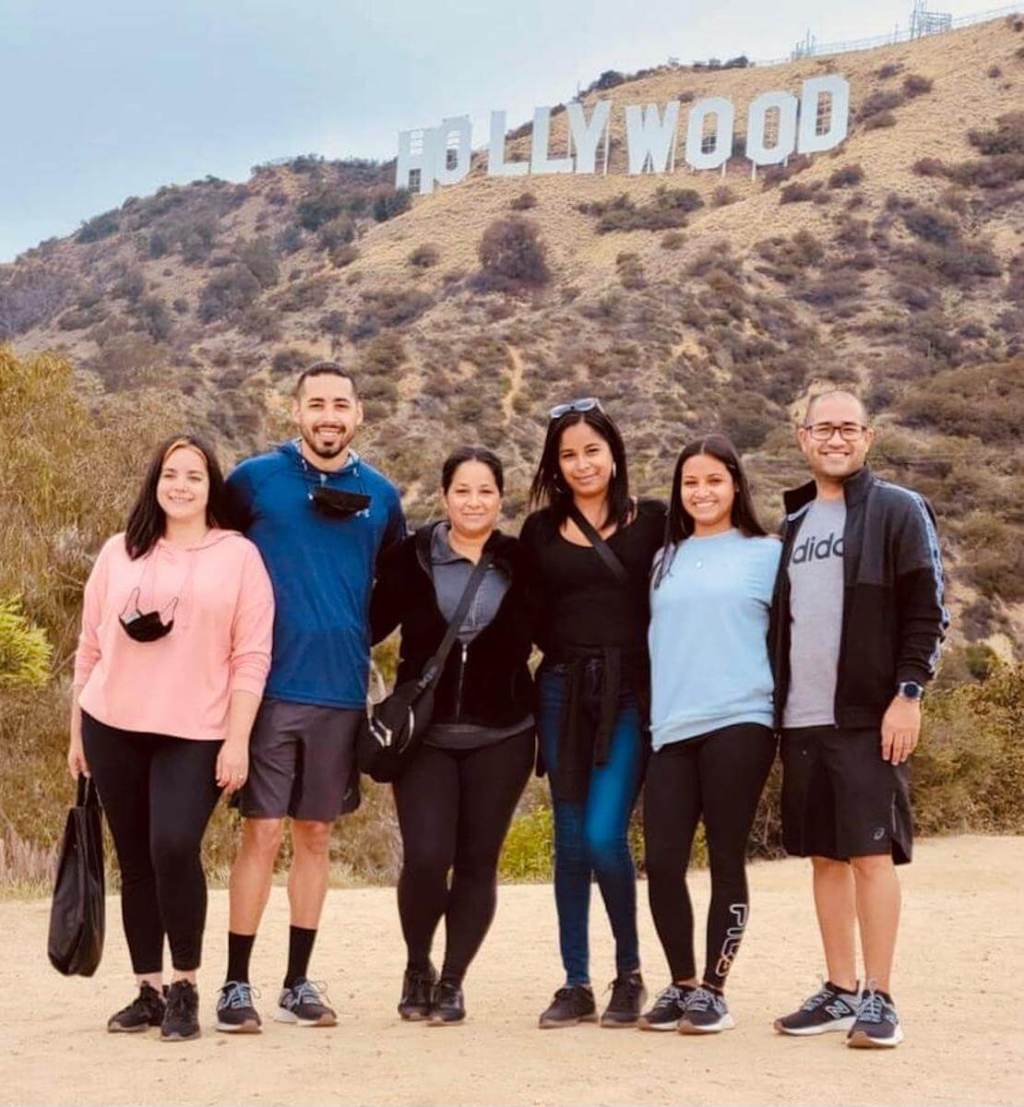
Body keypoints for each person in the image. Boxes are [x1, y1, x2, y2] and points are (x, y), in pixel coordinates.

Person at [218, 362, 405, 1033]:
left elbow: (396, 589)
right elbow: (212, 552)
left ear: (359, 413)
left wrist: (352, 630)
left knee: (316, 833)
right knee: (262, 832)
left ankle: (297, 982)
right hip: (266, 688)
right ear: (295, 410)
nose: (329, 416)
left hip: (339, 691)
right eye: (317, 404)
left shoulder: (381, 495)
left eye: (341, 405)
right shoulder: (253, 481)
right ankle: (236, 984)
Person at [67, 434, 274, 1042]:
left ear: (211, 487)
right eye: (170, 474)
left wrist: (237, 740)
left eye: (194, 476)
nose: (180, 485)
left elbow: (251, 656)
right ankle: (149, 991)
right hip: (112, 725)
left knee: (173, 846)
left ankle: (186, 985)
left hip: (197, 731)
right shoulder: (118, 551)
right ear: (154, 482)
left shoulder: (239, 557)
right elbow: (89, 647)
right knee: (134, 861)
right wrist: (78, 731)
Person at [770, 390, 947, 1048]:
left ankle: (880, 994)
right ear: (802, 437)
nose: (835, 438)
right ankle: (840, 989)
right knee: (824, 855)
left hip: (868, 716)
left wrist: (909, 693)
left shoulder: (898, 510)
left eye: (849, 428)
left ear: (868, 437)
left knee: (872, 853)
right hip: (802, 718)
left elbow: (930, 609)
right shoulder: (792, 523)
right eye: (824, 428)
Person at [370, 446, 538, 1026]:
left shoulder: (522, 561)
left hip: (505, 735)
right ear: (444, 497)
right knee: (426, 857)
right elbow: (362, 626)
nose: (474, 502)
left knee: (476, 862)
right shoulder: (409, 558)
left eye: (485, 492)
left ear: (501, 498)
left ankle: (453, 980)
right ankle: (418, 965)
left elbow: (562, 633)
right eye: (462, 491)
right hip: (426, 738)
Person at [520, 398, 666, 1029]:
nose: (582, 464)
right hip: (560, 690)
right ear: (555, 465)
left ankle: (629, 974)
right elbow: (519, 616)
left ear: (614, 454)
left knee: (607, 833)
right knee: (571, 842)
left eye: (592, 451)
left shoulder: (654, 521)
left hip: (630, 693)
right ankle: (576, 982)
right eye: (568, 454)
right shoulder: (538, 532)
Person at [641, 434, 780, 1034]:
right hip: (672, 726)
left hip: (741, 719)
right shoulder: (662, 558)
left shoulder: (768, 553)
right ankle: (682, 983)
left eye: (714, 481)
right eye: (690, 482)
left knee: (725, 856)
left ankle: (715, 992)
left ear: (736, 485)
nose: (702, 492)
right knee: (664, 861)